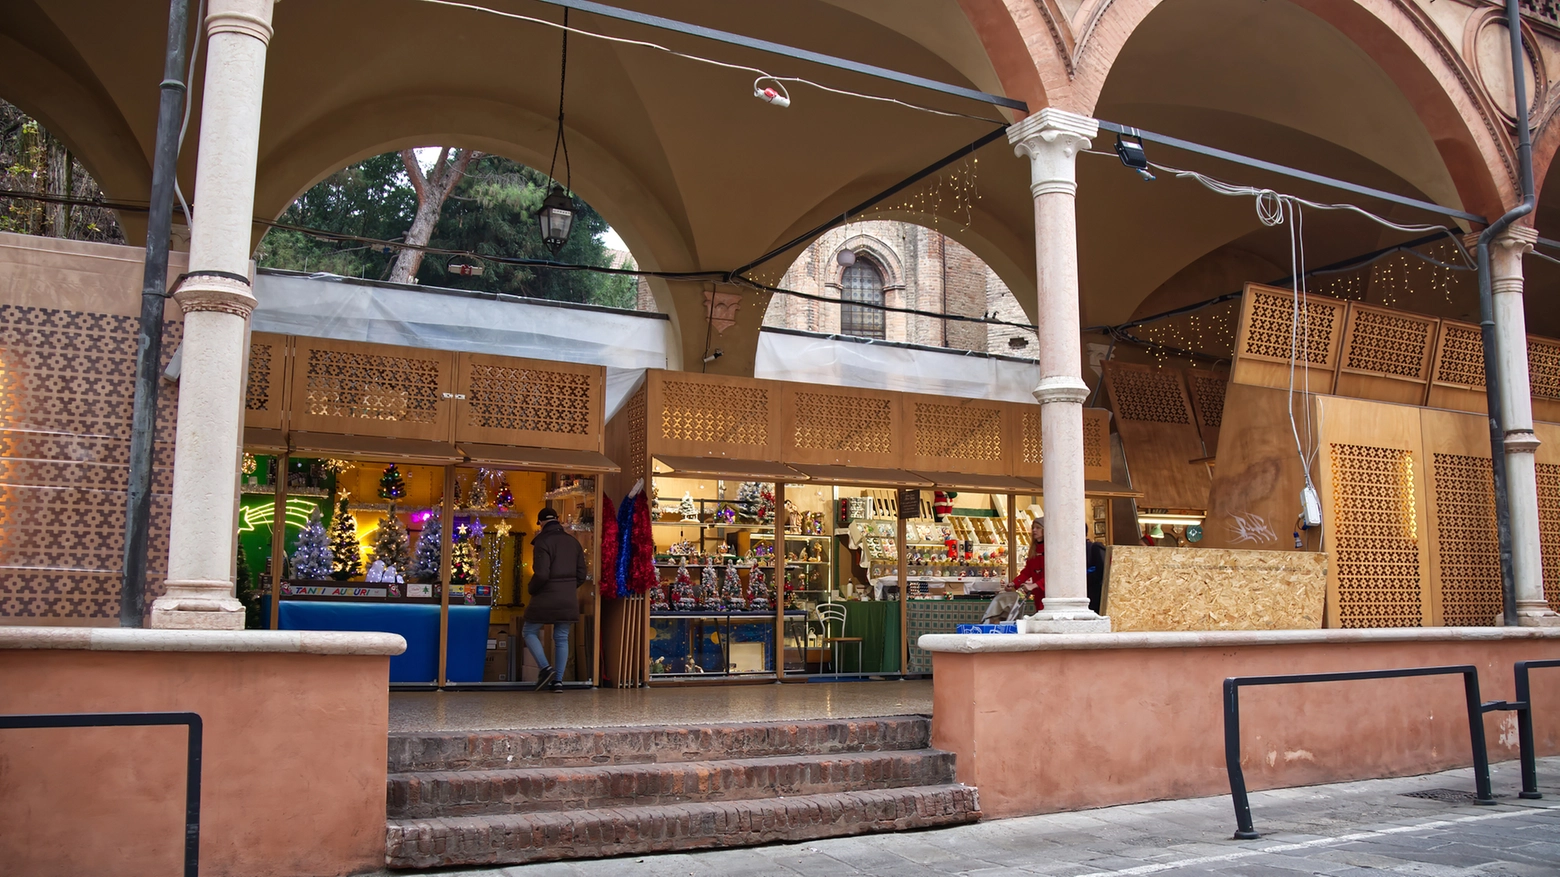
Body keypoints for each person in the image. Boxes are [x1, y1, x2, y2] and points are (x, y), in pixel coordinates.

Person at [523, 507, 586, 692]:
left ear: (541, 522)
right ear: (557, 520)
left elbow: (541, 574)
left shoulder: (542, 541)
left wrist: (531, 588)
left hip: (546, 596)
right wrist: (567, 589)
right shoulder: (573, 542)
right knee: (561, 637)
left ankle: (545, 668)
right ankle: (558, 681)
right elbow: (582, 574)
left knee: (529, 630)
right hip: (568, 598)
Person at [1011, 517, 1045, 613]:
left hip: (1048, 594)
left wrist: (1034, 585)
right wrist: (1014, 583)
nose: (1034, 530)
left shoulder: (1050, 549)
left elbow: (1053, 575)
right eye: (1033, 528)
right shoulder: (1034, 550)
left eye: (1038, 528)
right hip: (1038, 594)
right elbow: (1028, 571)